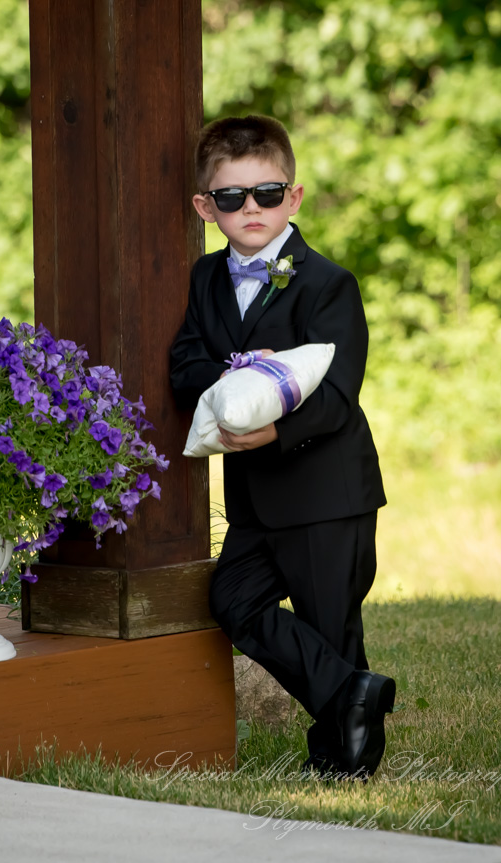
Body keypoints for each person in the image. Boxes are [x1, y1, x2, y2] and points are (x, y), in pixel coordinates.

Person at [170, 115, 394, 778]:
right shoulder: (204, 279)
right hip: (255, 500)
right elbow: (186, 363)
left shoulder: (327, 283)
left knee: (331, 625)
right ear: (205, 208)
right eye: (232, 197)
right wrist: (239, 378)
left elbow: (338, 393)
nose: (251, 209)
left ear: (293, 197)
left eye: (267, 193)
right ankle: (355, 691)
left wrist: (275, 423)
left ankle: (342, 758)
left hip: (328, 489)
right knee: (232, 599)